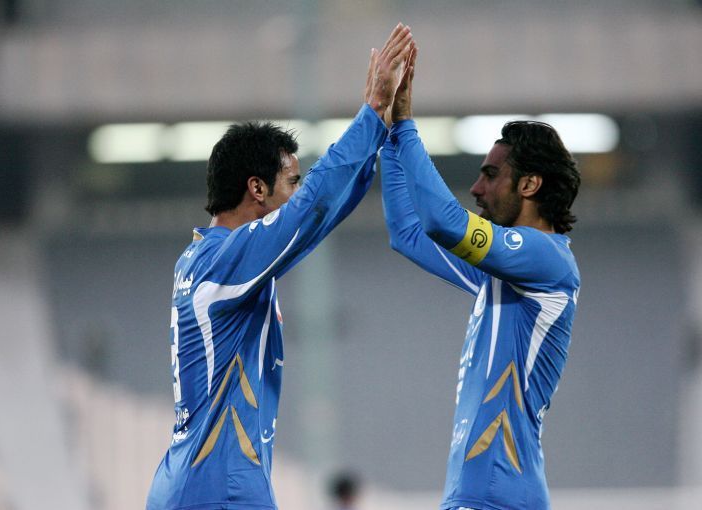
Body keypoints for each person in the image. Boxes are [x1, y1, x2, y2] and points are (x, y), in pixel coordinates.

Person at [146, 24, 415, 510]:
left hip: (194, 480)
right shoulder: (226, 261)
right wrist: (371, 112)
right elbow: (312, 208)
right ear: (257, 188)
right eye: (291, 181)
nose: (297, 192)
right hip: (221, 485)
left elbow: (317, 215)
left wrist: (379, 131)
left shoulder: (207, 257)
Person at [381, 48, 581, 510]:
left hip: (499, 495)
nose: (476, 188)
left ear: (529, 185)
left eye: (491, 175)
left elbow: (442, 222)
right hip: (477, 494)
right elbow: (407, 232)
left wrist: (406, 125)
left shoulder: (546, 260)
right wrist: (389, 133)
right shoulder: (501, 272)